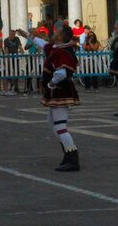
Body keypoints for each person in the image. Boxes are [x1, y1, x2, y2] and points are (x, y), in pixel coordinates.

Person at [18, 24, 81, 171]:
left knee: (60, 125)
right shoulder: (56, 48)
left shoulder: (62, 51)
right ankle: (68, 152)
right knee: (52, 122)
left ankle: (73, 158)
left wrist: (51, 84)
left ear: (61, 36)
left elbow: (62, 73)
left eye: (56, 31)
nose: (53, 32)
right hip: (57, 91)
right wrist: (26, 35)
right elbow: (43, 44)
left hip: (61, 90)